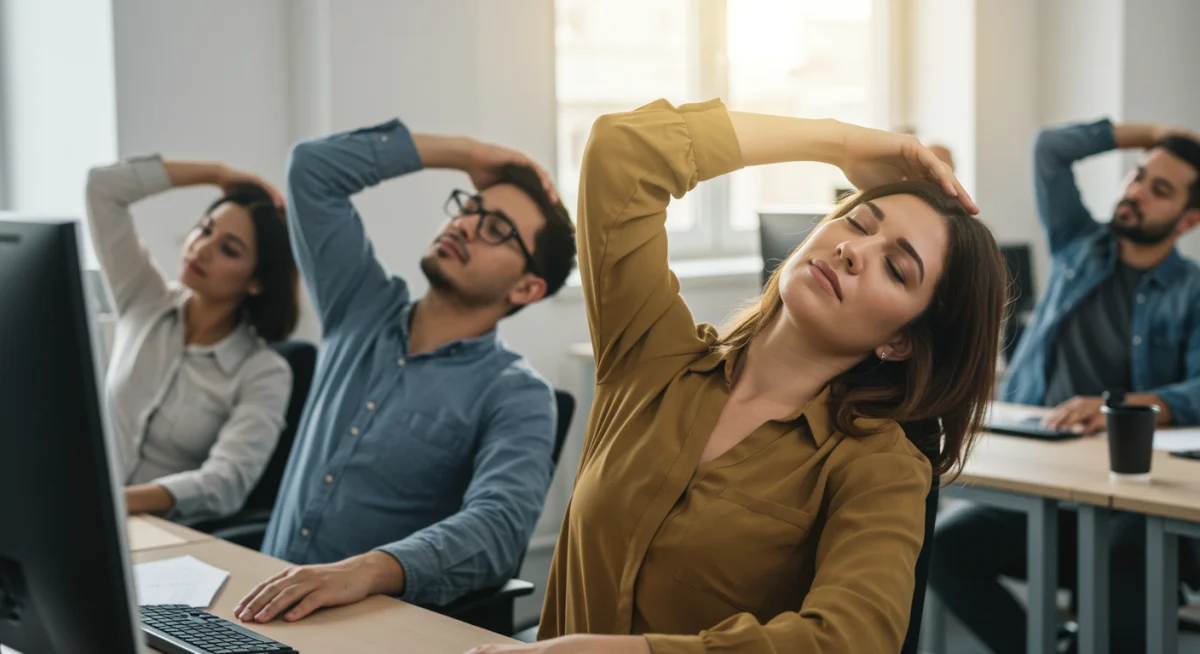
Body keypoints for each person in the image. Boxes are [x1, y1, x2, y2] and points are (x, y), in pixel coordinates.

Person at [464, 98, 1007, 654]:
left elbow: (852, 640)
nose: (851, 249)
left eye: (895, 267)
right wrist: (838, 144)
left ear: (900, 343)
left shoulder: (880, 466)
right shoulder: (653, 358)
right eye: (857, 221)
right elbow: (622, 152)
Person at [232, 117, 577, 624]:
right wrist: (467, 153)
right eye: (469, 208)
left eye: (496, 229)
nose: (463, 226)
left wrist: (368, 570)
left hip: (364, 630)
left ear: (527, 288)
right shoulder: (360, 307)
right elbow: (311, 169)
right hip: (256, 606)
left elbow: (497, 529)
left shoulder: (517, 395)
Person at [933, 120, 1200, 653]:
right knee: (943, 551)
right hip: (1039, 472)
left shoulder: (1190, 291)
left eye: (1160, 189)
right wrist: (1154, 133)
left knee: (1129, 560)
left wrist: (1122, 407)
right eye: (1139, 176)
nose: (1136, 191)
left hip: (1127, 502)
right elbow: (1051, 149)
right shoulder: (1078, 245)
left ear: (1189, 219)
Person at [85, 157, 299, 522]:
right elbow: (102, 188)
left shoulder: (264, 373)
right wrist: (216, 173)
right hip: (86, 507)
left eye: (228, 249)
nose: (201, 248)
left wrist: (117, 503)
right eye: (205, 229)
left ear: (256, 281)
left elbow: (225, 483)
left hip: (160, 535)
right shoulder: (144, 299)